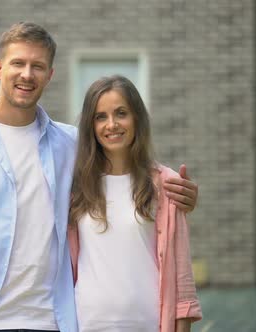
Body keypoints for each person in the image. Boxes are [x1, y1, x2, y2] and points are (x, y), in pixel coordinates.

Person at [0, 22, 198, 332]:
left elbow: (127, 167)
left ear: (49, 75)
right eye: (18, 63)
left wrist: (177, 192)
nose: (27, 74)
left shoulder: (72, 144)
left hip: (55, 321)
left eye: (37, 66)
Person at [67, 75, 202, 332]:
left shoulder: (166, 183)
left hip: (148, 324)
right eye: (100, 117)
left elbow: (181, 275)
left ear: (137, 118)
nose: (112, 124)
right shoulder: (75, 188)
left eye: (121, 113)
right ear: (90, 126)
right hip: (85, 324)